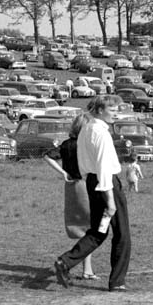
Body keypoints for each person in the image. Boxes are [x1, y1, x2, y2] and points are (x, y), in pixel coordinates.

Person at [54, 95, 131, 292]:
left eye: (117, 109)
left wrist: (92, 181)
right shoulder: (101, 133)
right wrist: (110, 200)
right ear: (99, 111)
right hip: (106, 184)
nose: (115, 113)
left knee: (98, 232)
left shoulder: (85, 130)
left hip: (91, 182)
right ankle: (117, 281)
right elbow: (104, 167)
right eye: (112, 110)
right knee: (122, 234)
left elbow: (83, 161)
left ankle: (65, 262)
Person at [43, 114, 97, 280]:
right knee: (91, 228)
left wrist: (63, 172)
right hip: (85, 185)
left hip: (71, 186)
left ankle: (86, 268)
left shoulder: (66, 145)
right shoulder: (86, 145)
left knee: (81, 227)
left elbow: (47, 156)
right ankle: (83, 268)